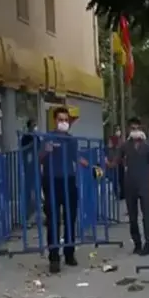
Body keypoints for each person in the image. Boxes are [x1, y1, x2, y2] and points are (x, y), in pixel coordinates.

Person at [39, 106, 98, 273]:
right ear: (55, 121)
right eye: (60, 120)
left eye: (66, 120)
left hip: (69, 180)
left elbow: (75, 157)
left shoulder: (71, 140)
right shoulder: (48, 138)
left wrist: (90, 165)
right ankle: (54, 257)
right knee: (53, 220)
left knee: (70, 218)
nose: (63, 123)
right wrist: (46, 151)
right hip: (51, 181)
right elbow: (39, 158)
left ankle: (69, 253)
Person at [108, 117, 149, 255]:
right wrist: (107, 162)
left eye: (137, 128)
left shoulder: (147, 147)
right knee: (133, 217)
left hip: (144, 183)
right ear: (129, 130)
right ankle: (137, 243)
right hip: (130, 184)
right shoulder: (124, 146)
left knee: (146, 215)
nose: (135, 131)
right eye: (133, 128)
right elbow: (115, 162)